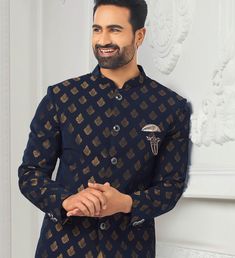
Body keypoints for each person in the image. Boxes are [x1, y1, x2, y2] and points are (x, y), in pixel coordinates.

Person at [18, 0, 191, 257]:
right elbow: (30, 173)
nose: (103, 40)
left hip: (131, 248)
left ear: (139, 35)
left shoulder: (170, 107)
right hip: (62, 247)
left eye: (115, 29)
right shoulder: (61, 97)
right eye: (97, 29)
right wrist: (67, 200)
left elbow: (171, 186)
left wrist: (126, 203)